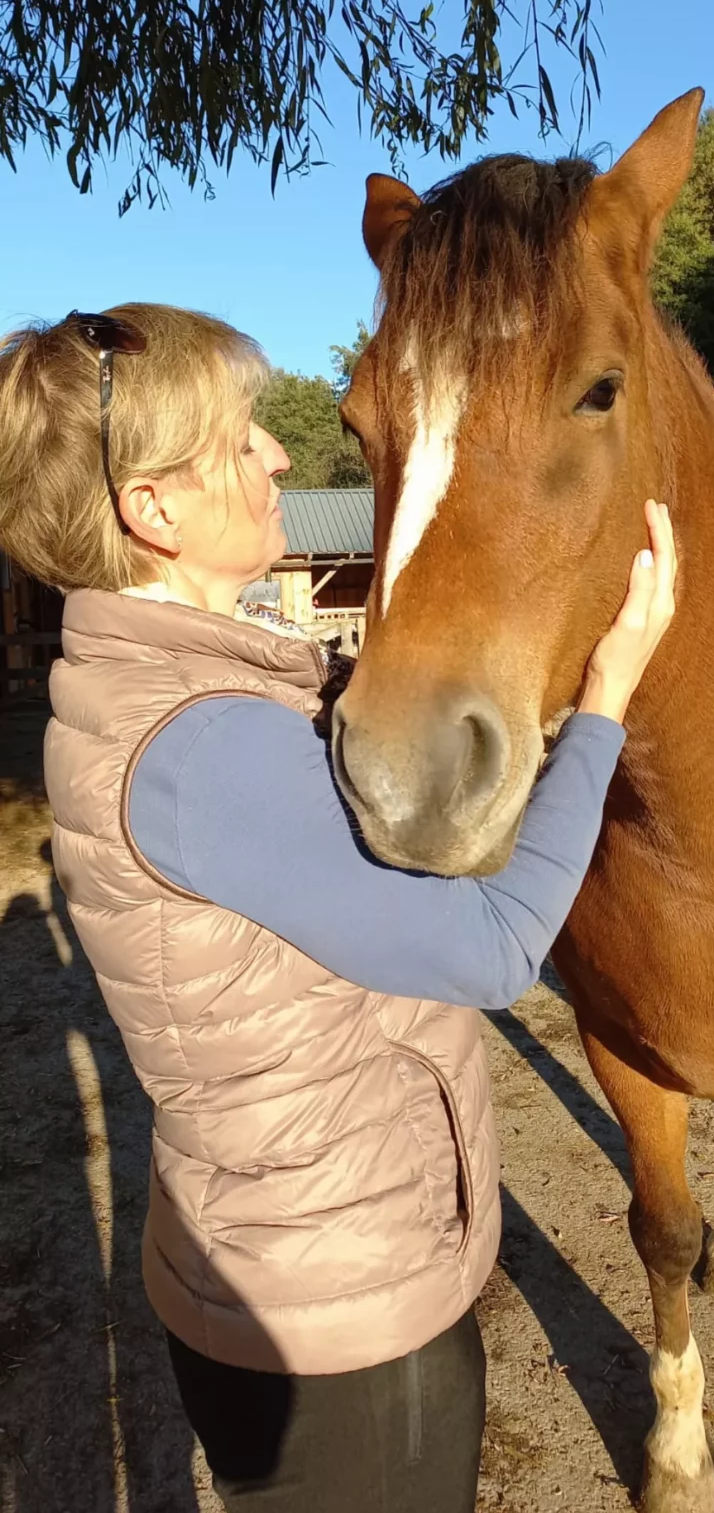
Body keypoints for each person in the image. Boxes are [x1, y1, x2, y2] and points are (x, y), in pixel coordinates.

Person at [0, 305, 676, 1513]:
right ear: (154, 512)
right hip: (345, 1339)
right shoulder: (207, 752)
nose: (276, 458)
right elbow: (495, 947)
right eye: (242, 436)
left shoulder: (142, 692)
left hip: (279, 1266)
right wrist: (610, 693)